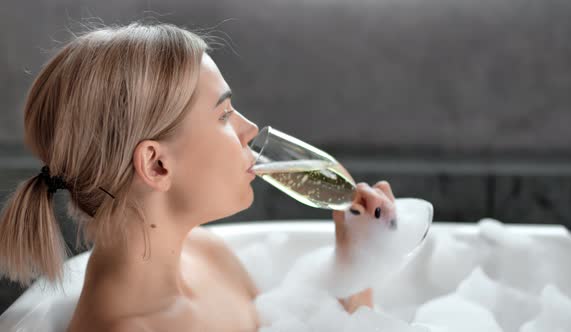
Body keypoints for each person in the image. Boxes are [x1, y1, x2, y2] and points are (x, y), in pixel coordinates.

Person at [0, 22, 396, 332]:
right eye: (224, 115)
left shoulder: (207, 255)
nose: (250, 128)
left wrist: (358, 269)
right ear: (157, 165)